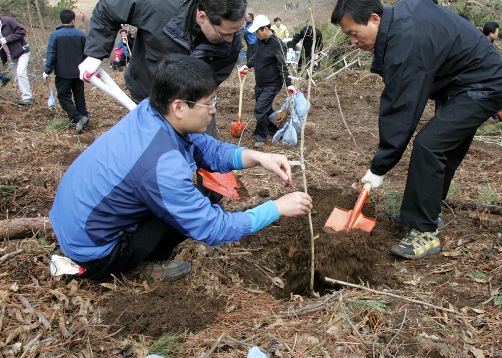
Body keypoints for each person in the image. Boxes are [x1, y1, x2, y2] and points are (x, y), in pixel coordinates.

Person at [49, 54, 313, 282]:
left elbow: (208, 150)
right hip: (95, 253)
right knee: (195, 201)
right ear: (178, 107)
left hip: (78, 225)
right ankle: (139, 264)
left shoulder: (150, 113)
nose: (213, 111)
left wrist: (257, 157)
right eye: (208, 103)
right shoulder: (161, 165)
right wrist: (277, 208)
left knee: (205, 189)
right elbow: (212, 228)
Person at [330, 0, 502, 259]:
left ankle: (425, 232)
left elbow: (402, 110)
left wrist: (379, 168)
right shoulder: (400, 18)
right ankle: (425, 212)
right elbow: (431, 5)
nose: (353, 42)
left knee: (431, 145)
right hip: (458, 82)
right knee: (444, 148)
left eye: (354, 33)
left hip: (483, 85)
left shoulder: (406, 42)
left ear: (375, 19)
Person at [80, 0, 247, 137]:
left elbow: (213, 79)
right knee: (152, 147)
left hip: (194, 100)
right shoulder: (158, 4)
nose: (231, 40)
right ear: (202, 17)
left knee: (202, 148)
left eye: (236, 32)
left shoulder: (230, 39)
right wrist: (95, 54)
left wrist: (193, 107)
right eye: (225, 34)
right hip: (148, 90)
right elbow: (108, 6)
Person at [240, 15, 294, 148]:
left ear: (265, 29)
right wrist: (247, 65)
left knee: (259, 109)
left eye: (257, 31)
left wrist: (289, 84)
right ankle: (273, 129)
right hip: (260, 83)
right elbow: (256, 56)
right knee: (266, 110)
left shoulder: (278, 45)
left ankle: (260, 136)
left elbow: (283, 67)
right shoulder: (259, 41)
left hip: (272, 84)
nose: (256, 34)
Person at [43, 9, 89, 134]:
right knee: (79, 95)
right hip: (79, 71)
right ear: (73, 20)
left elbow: (52, 54)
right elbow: (87, 53)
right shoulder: (81, 34)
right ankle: (83, 116)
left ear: (61, 19)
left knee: (63, 96)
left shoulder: (55, 35)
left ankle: (78, 118)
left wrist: (47, 70)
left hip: (63, 72)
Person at [0, 16, 33, 105]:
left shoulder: (7, 21)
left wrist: (6, 39)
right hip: (10, 56)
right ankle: (24, 97)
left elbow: (22, 31)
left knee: (21, 73)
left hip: (22, 52)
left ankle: (27, 98)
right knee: (17, 78)